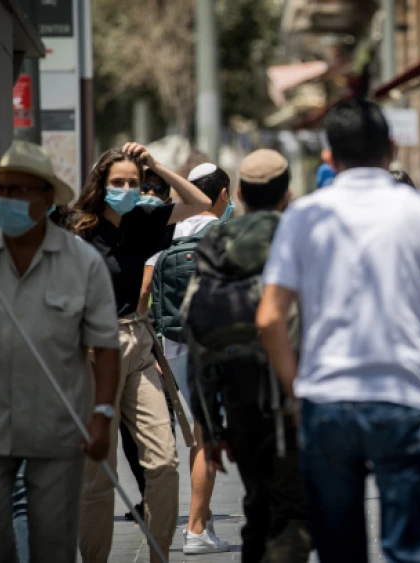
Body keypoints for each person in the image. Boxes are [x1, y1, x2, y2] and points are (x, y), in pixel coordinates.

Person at [256, 97, 420, 563]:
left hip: (327, 404)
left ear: (329, 157)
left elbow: (268, 318)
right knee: (407, 553)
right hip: (404, 401)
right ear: (390, 149)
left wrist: (294, 391)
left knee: (340, 552)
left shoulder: (303, 216)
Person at [0, 141, 121, 563]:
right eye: (0, 191)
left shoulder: (82, 264)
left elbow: (105, 348)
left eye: (18, 191)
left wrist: (102, 417)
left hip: (58, 431)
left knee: (52, 546)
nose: (5, 200)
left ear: (46, 198)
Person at [71, 142, 212, 563]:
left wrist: (156, 166)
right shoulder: (78, 228)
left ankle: (158, 554)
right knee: (97, 473)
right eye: (118, 182)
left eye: (134, 182)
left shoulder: (145, 217)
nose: (127, 189)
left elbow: (201, 203)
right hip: (93, 347)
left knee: (164, 462)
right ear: (101, 183)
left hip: (138, 340)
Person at [189, 149, 312, 563]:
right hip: (296, 391)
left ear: (239, 193)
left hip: (239, 393)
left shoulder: (217, 241)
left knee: (258, 498)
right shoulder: (303, 237)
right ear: (288, 194)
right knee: (293, 509)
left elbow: (198, 331)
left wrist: (208, 425)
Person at [140, 162, 235, 554]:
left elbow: (144, 292)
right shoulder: (226, 234)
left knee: (199, 432)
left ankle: (204, 520)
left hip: (174, 345)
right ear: (224, 194)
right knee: (207, 434)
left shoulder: (167, 233)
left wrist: (153, 346)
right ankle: (195, 530)